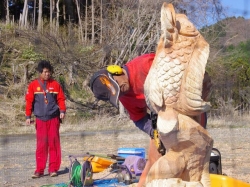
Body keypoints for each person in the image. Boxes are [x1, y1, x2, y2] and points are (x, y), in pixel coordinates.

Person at [89, 53, 211, 186]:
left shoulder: (146, 65)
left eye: (118, 86)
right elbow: (139, 118)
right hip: (164, 115)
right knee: (154, 159)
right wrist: (153, 131)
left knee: (190, 155)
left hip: (188, 96)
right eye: (118, 93)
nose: (122, 91)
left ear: (116, 71)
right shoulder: (125, 96)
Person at [25, 60, 66, 178]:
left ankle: (53, 169)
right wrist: (28, 116)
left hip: (53, 118)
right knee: (41, 145)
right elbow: (29, 101)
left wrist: (62, 111)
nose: (47, 74)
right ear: (40, 72)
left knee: (54, 144)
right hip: (40, 119)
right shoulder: (33, 85)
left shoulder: (56, 84)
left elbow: (61, 99)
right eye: (45, 72)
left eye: (49, 72)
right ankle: (39, 170)